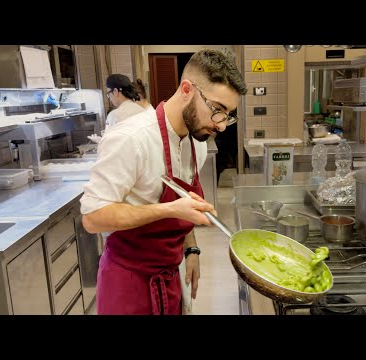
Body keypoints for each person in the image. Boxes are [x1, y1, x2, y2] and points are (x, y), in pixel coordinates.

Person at [80, 49, 248, 315]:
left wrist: (191, 248)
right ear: (186, 89)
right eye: (217, 110)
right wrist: (169, 210)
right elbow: (92, 217)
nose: (222, 125)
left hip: (170, 276)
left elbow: (185, 204)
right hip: (127, 282)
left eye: (228, 114)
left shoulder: (197, 144)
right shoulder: (131, 138)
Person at [87, 74, 145, 143]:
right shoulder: (142, 110)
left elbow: (109, 144)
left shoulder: (114, 115)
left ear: (115, 91)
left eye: (108, 94)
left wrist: (100, 141)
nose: (110, 99)